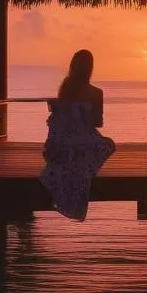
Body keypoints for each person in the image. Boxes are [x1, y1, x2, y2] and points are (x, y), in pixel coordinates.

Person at [39, 50, 116, 220]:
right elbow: (97, 123)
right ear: (90, 68)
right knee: (109, 144)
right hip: (82, 141)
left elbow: (60, 121)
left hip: (62, 141)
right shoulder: (96, 93)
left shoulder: (65, 88)